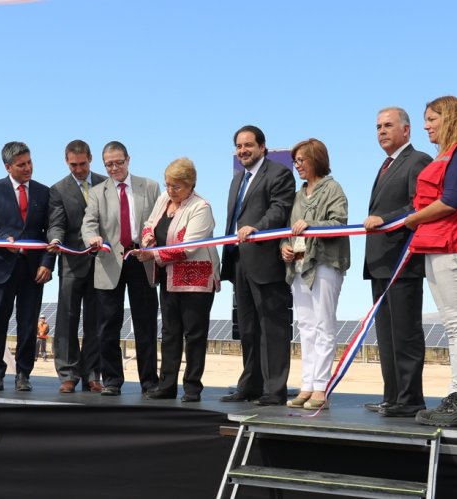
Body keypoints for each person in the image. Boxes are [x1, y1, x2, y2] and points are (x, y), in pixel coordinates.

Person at [405, 96, 457, 428]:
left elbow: (451, 201)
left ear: (449, 118)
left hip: (454, 244)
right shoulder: (450, 155)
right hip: (438, 245)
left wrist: (412, 219)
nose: (426, 126)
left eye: (431, 119)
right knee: (453, 325)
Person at [362, 108, 433, 417]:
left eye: (388, 125)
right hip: (380, 262)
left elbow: (418, 205)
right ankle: (392, 397)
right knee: (387, 337)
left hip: (402, 261)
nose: (381, 131)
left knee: (405, 333)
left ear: (406, 130)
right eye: (378, 126)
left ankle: (410, 399)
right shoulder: (385, 165)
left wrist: (385, 219)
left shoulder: (418, 161)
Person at [220, 125, 295, 406]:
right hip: (239, 260)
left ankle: (274, 390)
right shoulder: (237, 179)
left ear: (262, 147)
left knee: (272, 328)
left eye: (248, 145)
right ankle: (250, 385)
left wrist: (257, 229)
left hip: (266, 261)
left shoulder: (278, 173)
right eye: (239, 146)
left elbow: (279, 209)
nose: (243, 151)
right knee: (248, 328)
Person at [138, 158, 220, 402]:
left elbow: (188, 249)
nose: (170, 191)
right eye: (168, 185)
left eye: (176, 186)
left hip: (196, 279)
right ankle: (167, 385)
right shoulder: (164, 200)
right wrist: (147, 239)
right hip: (169, 277)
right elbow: (149, 225)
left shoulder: (201, 208)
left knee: (194, 334)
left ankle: (192, 387)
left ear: (190, 184)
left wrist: (151, 254)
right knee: (170, 332)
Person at [82, 141, 160, 396]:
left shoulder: (149, 186)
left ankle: (149, 382)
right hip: (109, 262)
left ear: (128, 159)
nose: (114, 168)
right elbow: (89, 223)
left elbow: (158, 221)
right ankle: (112, 380)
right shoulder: (97, 192)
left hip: (141, 260)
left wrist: (152, 243)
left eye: (119, 162)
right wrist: (92, 238)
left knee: (146, 324)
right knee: (107, 326)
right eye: (109, 164)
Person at [0, 141, 55, 392]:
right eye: (21, 165)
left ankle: (24, 373)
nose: (27, 168)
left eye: (29, 162)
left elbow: (50, 232)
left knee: (28, 323)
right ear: (7, 167)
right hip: (0, 267)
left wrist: (47, 263)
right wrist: (3, 241)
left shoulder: (44, 192)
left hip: (33, 270)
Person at [281, 139, 350, 410]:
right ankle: (307, 385)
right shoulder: (298, 195)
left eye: (301, 160)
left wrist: (310, 224)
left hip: (325, 262)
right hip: (299, 265)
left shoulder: (333, 189)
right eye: (295, 161)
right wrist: (285, 248)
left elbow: (339, 223)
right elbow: (289, 230)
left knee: (324, 325)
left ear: (316, 159)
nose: (297, 166)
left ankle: (321, 387)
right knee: (305, 326)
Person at [47, 140, 107, 394]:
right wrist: (55, 239)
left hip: (102, 263)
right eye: (74, 165)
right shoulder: (59, 189)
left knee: (97, 320)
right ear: (66, 162)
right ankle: (68, 374)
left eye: (83, 164)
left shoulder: (106, 184)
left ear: (90, 159)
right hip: (71, 262)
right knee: (67, 319)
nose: (79, 169)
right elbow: (57, 222)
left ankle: (92, 374)